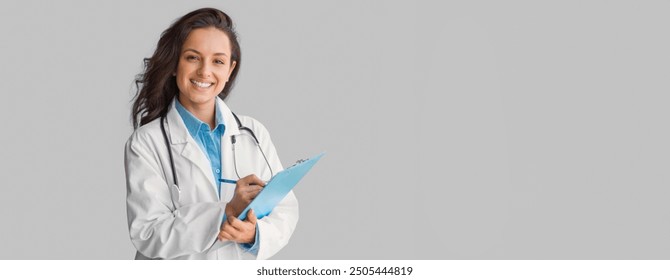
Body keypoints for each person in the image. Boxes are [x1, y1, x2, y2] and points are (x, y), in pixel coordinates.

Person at [124, 7, 298, 260]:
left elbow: (284, 209)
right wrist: (227, 211)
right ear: (175, 64)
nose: (205, 72)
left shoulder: (254, 133)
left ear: (230, 70)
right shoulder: (147, 142)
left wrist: (253, 234)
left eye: (218, 61)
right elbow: (148, 233)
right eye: (193, 57)